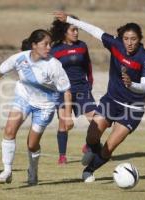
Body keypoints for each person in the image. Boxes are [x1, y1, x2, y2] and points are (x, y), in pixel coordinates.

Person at [54, 11, 145, 182]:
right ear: (122, 38)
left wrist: (131, 85)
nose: (129, 43)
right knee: (92, 135)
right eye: (126, 39)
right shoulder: (116, 44)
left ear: (140, 39)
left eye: (134, 39)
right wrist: (69, 20)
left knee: (109, 147)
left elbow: (144, 88)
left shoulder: (144, 58)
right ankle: (93, 149)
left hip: (132, 109)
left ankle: (89, 170)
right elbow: (95, 31)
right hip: (111, 101)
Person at [0, 29, 74, 185]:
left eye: (50, 44)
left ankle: (33, 170)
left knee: (32, 144)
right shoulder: (19, 58)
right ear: (34, 45)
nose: (49, 48)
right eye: (45, 44)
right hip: (24, 97)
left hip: (45, 105)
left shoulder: (54, 65)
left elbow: (66, 91)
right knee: (9, 130)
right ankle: (7, 170)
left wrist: (67, 117)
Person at [50, 16, 97, 165]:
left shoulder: (82, 46)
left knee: (97, 121)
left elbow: (88, 66)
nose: (76, 32)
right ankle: (62, 156)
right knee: (64, 124)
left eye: (77, 29)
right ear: (64, 31)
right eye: (73, 29)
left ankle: (88, 145)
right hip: (63, 92)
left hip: (82, 89)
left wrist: (90, 83)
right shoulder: (55, 50)